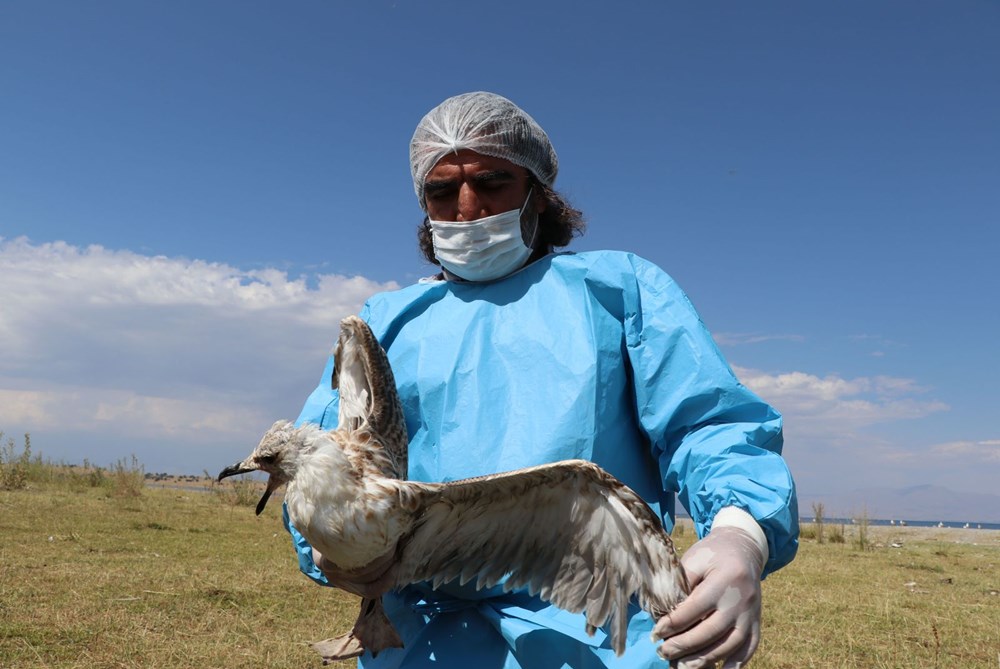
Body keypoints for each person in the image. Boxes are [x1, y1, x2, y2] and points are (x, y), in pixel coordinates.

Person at [286, 91, 798, 668]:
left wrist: (739, 535)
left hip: (598, 635)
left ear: (538, 192)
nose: (468, 205)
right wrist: (337, 550)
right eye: (441, 189)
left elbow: (708, 424)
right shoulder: (384, 322)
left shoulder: (618, 289)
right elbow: (319, 456)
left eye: (494, 180)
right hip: (420, 642)